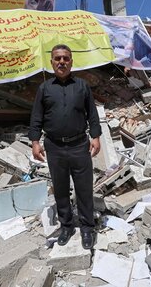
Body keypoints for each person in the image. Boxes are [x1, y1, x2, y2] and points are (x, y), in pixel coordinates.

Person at [29, 44, 101, 249]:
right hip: (55, 148)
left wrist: (95, 137)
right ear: (51, 62)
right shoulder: (44, 89)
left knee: (84, 189)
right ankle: (67, 226)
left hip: (80, 146)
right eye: (57, 58)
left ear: (71, 61)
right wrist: (35, 142)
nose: (62, 62)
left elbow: (92, 115)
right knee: (60, 190)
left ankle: (87, 228)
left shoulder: (82, 86)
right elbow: (36, 118)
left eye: (65, 58)